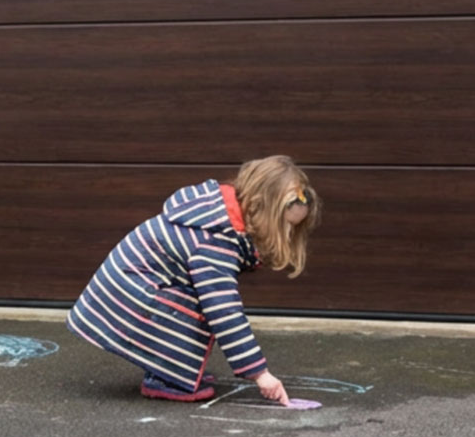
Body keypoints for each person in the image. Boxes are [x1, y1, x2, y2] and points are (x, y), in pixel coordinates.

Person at [67, 156, 319, 406]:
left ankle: (169, 369)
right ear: (262, 207)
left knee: (195, 300)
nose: (287, 234)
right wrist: (260, 374)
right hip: (128, 299)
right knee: (204, 306)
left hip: (125, 290)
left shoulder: (215, 217)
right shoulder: (214, 241)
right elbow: (224, 311)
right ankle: (166, 378)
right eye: (285, 225)